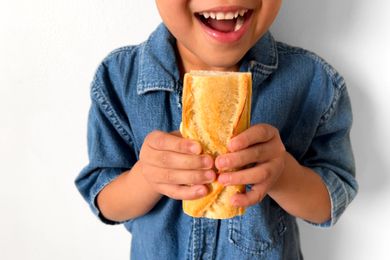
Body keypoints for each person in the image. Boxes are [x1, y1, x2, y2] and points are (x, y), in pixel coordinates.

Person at [75, 0, 358, 259]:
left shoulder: (314, 83)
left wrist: (283, 173)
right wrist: (146, 177)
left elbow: (329, 203)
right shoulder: (118, 79)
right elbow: (106, 203)